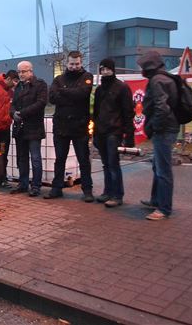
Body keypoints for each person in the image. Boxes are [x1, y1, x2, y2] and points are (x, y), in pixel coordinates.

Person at [45, 51, 94, 201]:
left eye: (77, 64)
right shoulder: (58, 78)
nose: (74, 66)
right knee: (60, 159)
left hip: (80, 125)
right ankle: (56, 188)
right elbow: (52, 98)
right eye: (72, 64)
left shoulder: (87, 77)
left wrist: (63, 92)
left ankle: (87, 190)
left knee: (83, 159)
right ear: (67, 63)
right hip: (61, 126)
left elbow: (83, 94)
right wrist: (72, 95)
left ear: (81, 63)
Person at [138, 51, 179, 220]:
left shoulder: (157, 81)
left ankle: (163, 208)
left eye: (142, 66)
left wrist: (154, 127)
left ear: (149, 66)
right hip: (169, 128)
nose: (141, 69)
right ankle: (156, 200)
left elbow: (161, 108)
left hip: (163, 130)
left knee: (163, 170)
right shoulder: (166, 78)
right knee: (158, 167)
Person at [92, 58, 135, 208]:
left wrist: (129, 136)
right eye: (102, 69)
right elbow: (96, 112)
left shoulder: (122, 88)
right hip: (101, 130)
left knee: (113, 163)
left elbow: (128, 112)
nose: (105, 72)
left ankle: (117, 195)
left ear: (113, 70)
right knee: (105, 164)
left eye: (107, 69)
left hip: (114, 131)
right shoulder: (99, 89)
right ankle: (107, 191)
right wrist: (95, 132)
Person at [9, 62, 48, 196]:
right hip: (20, 128)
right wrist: (13, 113)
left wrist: (22, 113)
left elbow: (41, 103)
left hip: (34, 127)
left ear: (31, 71)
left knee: (35, 158)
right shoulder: (18, 87)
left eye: (23, 71)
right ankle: (23, 183)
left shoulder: (40, 85)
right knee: (22, 158)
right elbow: (13, 104)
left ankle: (36, 186)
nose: (21, 74)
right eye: (19, 72)